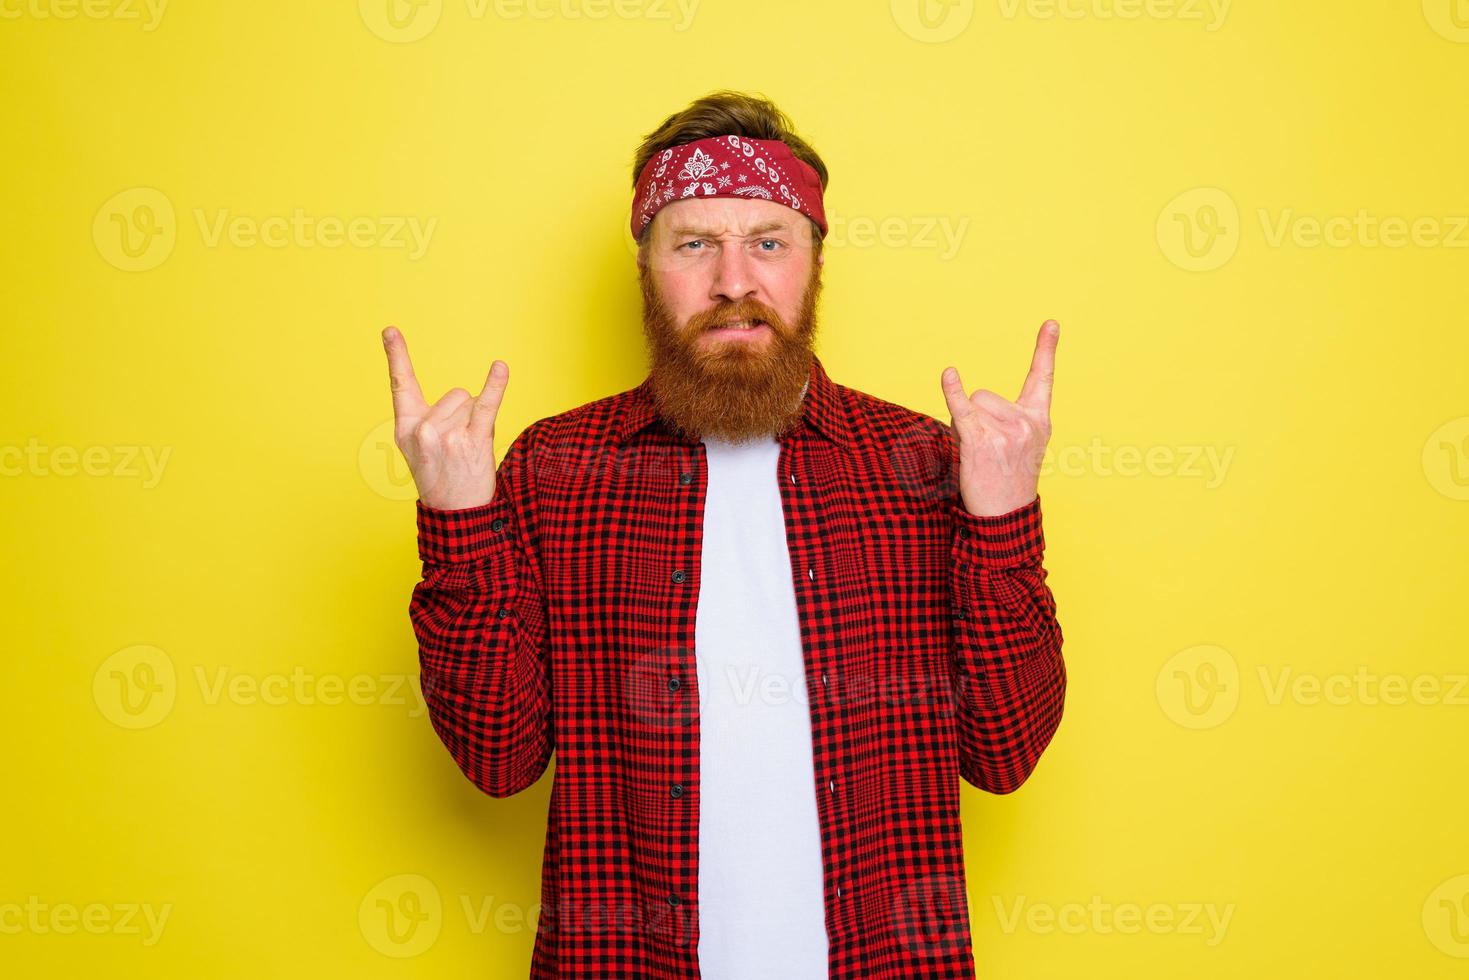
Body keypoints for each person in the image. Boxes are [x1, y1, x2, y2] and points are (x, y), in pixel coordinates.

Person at [382, 90, 1066, 980]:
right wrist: (458, 521)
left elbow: (1005, 753)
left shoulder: (927, 463)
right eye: (694, 243)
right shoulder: (555, 466)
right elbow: (498, 758)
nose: (733, 280)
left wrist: (1003, 519)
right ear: (647, 267)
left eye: (768, 242)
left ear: (814, 264)